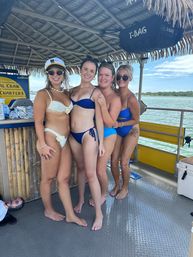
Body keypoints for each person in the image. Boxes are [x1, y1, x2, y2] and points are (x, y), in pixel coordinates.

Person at [33, 57, 86, 227]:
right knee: (48, 178)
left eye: (59, 72)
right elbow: (38, 121)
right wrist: (41, 143)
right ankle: (48, 209)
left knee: (63, 179)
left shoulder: (66, 94)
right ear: (47, 74)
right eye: (51, 72)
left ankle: (70, 214)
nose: (55, 75)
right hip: (51, 137)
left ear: (64, 74)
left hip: (66, 140)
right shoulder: (43, 94)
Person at [69, 56, 105, 231]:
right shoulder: (72, 90)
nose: (88, 73)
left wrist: (102, 143)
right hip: (72, 135)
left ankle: (99, 213)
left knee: (91, 174)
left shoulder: (96, 92)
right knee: (80, 169)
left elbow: (99, 118)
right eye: (85, 69)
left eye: (92, 71)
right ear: (79, 69)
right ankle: (81, 199)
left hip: (88, 135)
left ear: (94, 73)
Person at [111, 64, 140, 199]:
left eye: (125, 77)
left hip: (130, 130)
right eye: (118, 76)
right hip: (117, 129)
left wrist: (121, 123)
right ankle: (117, 184)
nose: (121, 79)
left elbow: (136, 119)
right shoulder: (113, 93)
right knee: (113, 160)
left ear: (130, 78)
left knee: (124, 161)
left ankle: (125, 188)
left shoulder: (132, 99)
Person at [94, 61, 121, 205]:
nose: (103, 78)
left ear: (112, 78)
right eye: (100, 75)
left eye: (107, 75)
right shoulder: (94, 90)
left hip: (108, 134)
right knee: (92, 169)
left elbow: (111, 122)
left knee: (100, 170)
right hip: (93, 134)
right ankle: (97, 189)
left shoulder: (115, 99)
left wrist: (103, 106)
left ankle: (103, 193)